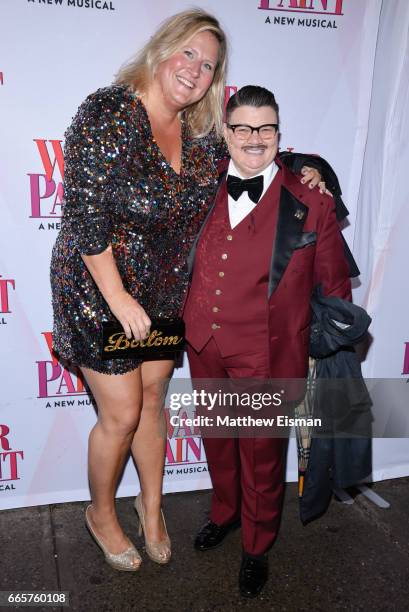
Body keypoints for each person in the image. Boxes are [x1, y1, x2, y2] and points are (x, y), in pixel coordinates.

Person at [50, 10, 324, 572]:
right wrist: (119, 300)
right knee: (123, 413)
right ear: (162, 49)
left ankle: (151, 510)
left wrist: (312, 169)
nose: (196, 70)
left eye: (209, 64)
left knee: (154, 404)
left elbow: (255, 152)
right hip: (100, 289)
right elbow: (83, 218)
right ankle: (100, 514)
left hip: (166, 293)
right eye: (189, 54)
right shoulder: (111, 112)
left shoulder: (201, 132)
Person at [183, 85, 352, 597]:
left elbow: (335, 286)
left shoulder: (311, 201)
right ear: (226, 134)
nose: (255, 138)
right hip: (202, 340)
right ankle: (225, 513)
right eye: (243, 128)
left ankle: (257, 545)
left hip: (266, 349)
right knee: (218, 439)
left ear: (280, 134)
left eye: (266, 128)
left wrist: (324, 350)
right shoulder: (197, 185)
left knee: (260, 453)